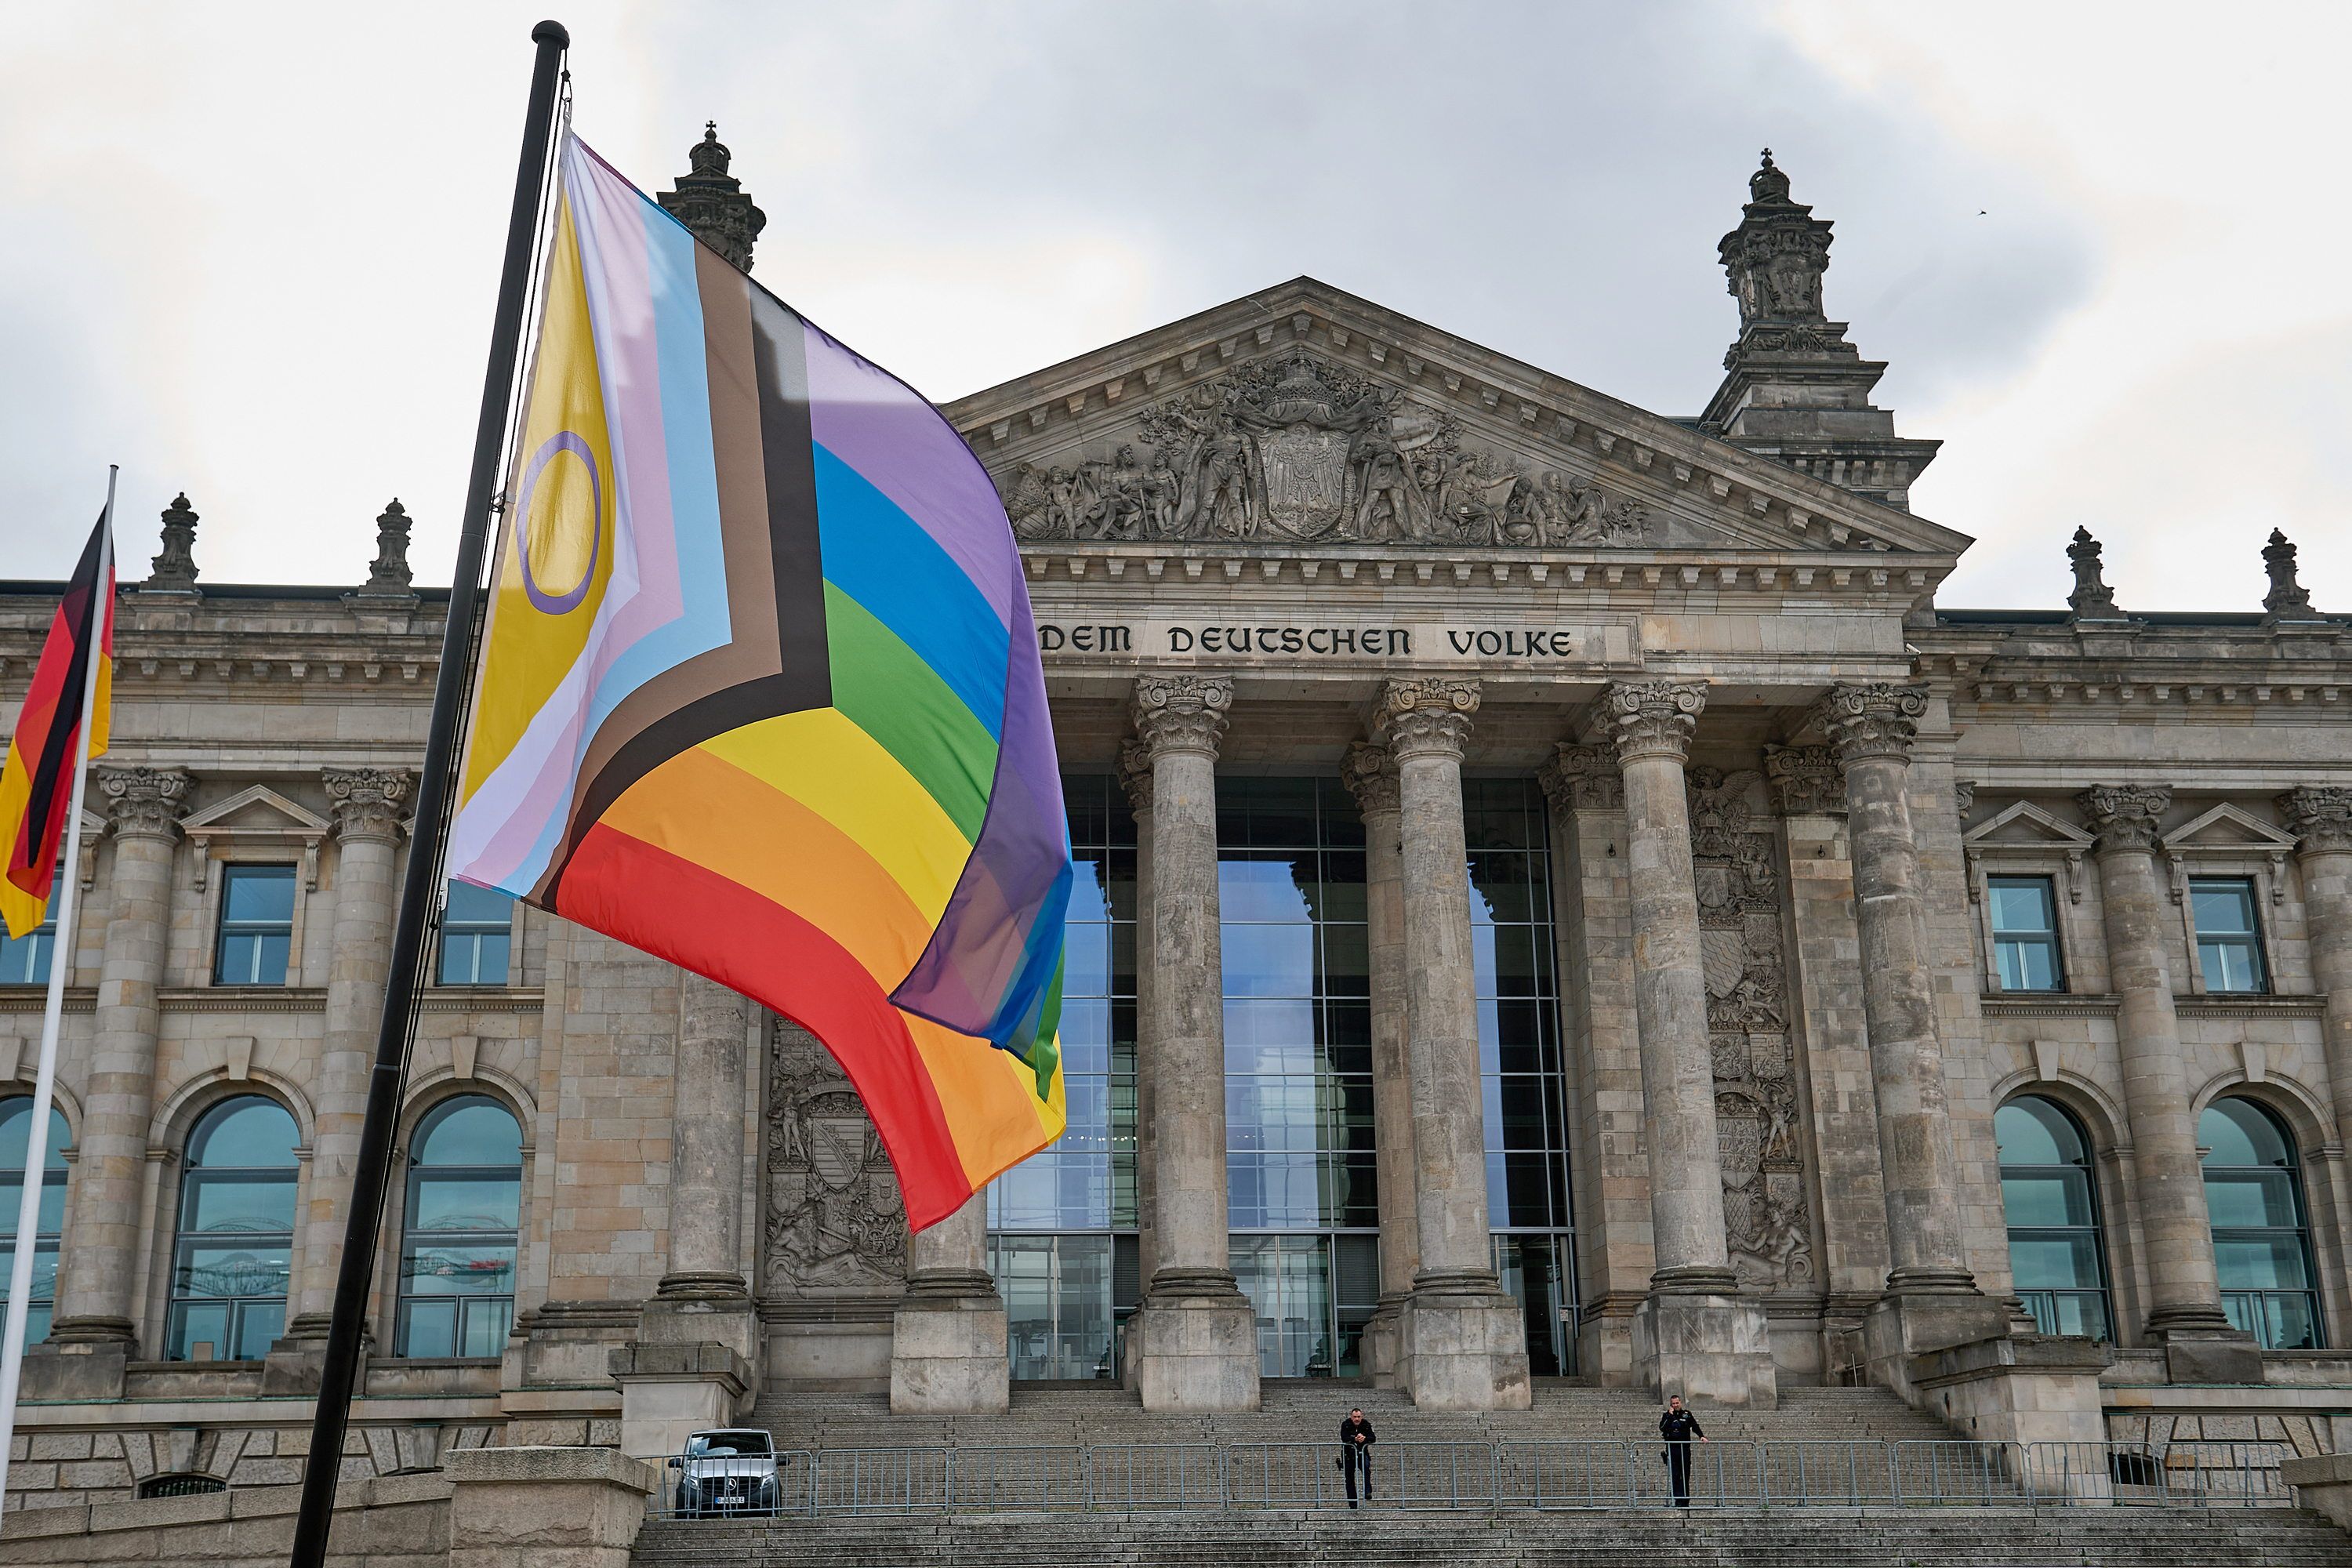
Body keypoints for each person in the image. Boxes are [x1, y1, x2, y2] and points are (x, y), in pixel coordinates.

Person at [1659, 1394, 1708, 1508]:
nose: (1676, 1405)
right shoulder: (1666, 1416)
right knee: (1675, 1476)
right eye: (1673, 1404)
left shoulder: (1687, 1415)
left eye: (1677, 1403)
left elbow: (1694, 1426)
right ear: (1671, 1405)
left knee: (1685, 1475)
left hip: (1685, 1449)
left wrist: (1701, 1436)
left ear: (1680, 1403)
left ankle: (1685, 1500)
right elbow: (1662, 1428)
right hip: (1672, 1449)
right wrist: (1670, 1416)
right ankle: (1678, 1500)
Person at [1338, 1406, 1376, 1508]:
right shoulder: (1346, 1424)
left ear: (1361, 1416)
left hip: (1362, 1453)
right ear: (1351, 1417)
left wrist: (1364, 1438)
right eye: (1355, 1417)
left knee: (1366, 1470)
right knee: (1349, 1479)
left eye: (1359, 1417)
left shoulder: (1366, 1424)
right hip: (1349, 1456)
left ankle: (1368, 1491)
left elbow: (1373, 1438)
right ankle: (1353, 1503)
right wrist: (1355, 1438)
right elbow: (1344, 1437)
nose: (1357, 1419)